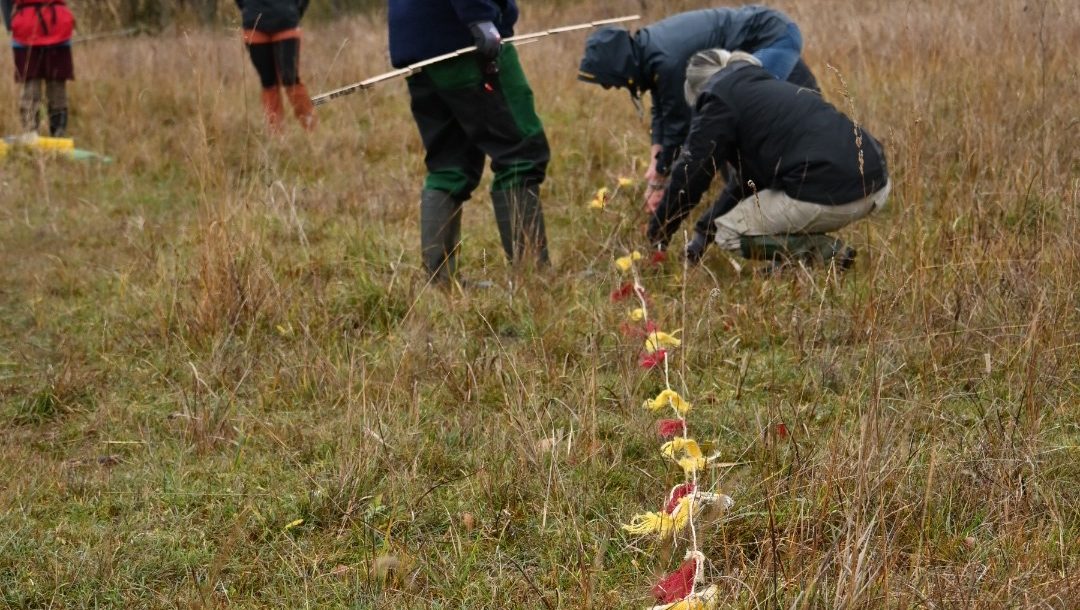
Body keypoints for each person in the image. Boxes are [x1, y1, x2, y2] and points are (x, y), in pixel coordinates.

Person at [648, 49, 889, 269]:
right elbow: (747, 181)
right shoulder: (761, 90)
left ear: (698, 91)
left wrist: (656, 236)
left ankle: (824, 252)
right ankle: (793, 261)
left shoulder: (718, 99)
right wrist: (703, 231)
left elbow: (690, 174)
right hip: (877, 186)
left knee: (729, 232)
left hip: (836, 194)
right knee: (741, 217)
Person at [578, 5, 819, 214]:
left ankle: (782, 217)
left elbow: (678, 126)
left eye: (609, 81)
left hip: (772, 40)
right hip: (762, 41)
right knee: (726, 127)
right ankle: (747, 211)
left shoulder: (667, 61)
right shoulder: (647, 52)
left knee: (745, 129)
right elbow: (661, 110)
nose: (611, 87)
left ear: (618, 66)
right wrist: (656, 162)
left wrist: (659, 183)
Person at [389, 0, 551, 284]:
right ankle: (532, 277)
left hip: (416, 44)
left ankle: (441, 283)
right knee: (521, 154)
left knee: (450, 165)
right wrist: (479, 17)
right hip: (465, 38)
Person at [235, 0, 316, 131]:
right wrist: (248, 7)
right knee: (268, 82)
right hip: (254, 23)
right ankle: (277, 136)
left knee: (290, 79)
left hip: (286, 21)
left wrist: (295, 10)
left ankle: (311, 129)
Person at [2, 0, 76, 136]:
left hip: (56, 26)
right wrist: (10, 23)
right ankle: (32, 134)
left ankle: (57, 136)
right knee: (32, 89)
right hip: (27, 29)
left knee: (55, 89)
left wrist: (9, 23)